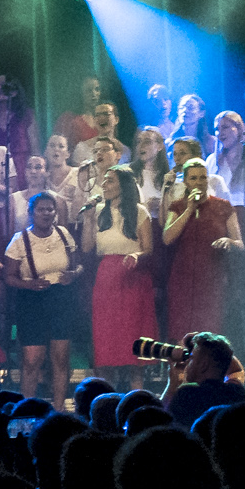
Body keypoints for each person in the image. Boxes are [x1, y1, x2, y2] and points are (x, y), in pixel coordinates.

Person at [3, 191, 84, 409]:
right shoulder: (20, 240)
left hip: (61, 298)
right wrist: (28, 284)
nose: (46, 213)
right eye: (41, 209)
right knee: (31, 361)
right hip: (31, 301)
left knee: (60, 358)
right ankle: (26, 410)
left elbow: (79, 265)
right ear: (31, 213)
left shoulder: (64, 234)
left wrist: (73, 274)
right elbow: (8, 277)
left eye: (50, 209)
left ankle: (58, 409)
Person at [86, 161, 157, 392]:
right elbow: (87, 247)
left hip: (132, 278)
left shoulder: (139, 211)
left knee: (132, 347)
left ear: (124, 186)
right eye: (104, 179)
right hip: (106, 278)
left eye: (110, 180)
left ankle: (138, 400)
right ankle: (107, 403)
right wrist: (87, 219)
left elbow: (148, 248)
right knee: (107, 346)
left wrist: (136, 255)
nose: (104, 184)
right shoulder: (98, 212)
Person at [161, 157, 245, 346]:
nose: (198, 182)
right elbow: (167, 238)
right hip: (182, 280)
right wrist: (189, 209)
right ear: (185, 182)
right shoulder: (178, 206)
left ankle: (208, 373)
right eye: (193, 178)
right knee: (181, 332)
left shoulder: (223, 207)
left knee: (210, 333)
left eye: (202, 178)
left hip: (212, 278)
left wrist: (229, 241)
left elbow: (240, 244)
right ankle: (181, 374)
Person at [162, 330, 245, 429]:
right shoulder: (237, 393)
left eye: (191, 357)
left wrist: (172, 384)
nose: (187, 361)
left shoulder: (187, 394)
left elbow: (163, 420)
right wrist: (214, 346)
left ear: (203, 365)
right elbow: (236, 369)